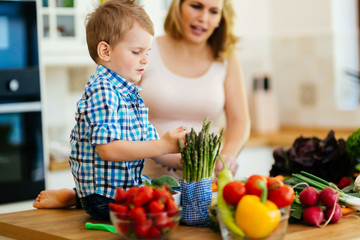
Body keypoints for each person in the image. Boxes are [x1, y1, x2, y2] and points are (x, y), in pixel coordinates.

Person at [33, 0, 187, 221]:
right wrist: (163, 144)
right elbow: (109, 150)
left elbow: (150, 145)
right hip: (104, 200)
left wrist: (180, 154)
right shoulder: (103, 90)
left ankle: (74, 198)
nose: (145, 59)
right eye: (136, 51)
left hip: (120, 190)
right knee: (163, 209)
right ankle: (83, 199)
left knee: (162, 193)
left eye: (147, 52)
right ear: (105, 51)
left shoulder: (128, 92)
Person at [141, 0, 251, 179]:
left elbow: (240, 120)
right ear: (179, 7)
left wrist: (228, 155)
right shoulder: (147, 49)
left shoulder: (226, 58)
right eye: (196, 6)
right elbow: (128, 116)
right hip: (149, 181)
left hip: (206, 180)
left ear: (221, 18)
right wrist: (171, 157)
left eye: (213, 11)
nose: (203, 18)